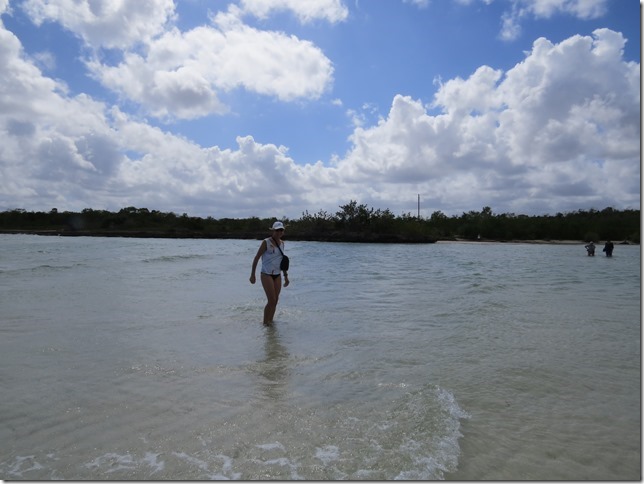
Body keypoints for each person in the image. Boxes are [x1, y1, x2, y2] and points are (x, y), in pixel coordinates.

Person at [250, 221, 290, 326]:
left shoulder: (282, 243)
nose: (279, 232)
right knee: (271, 300)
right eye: (277, 230)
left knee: (276, 300)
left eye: (281, 230)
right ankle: (265, 323)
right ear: (273, 230)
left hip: (277, 274)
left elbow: (282, 261)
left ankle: (270, 322)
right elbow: (257, 257)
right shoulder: (266, 242)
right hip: (266, 274)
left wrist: (286, 276)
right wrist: (252, 274)